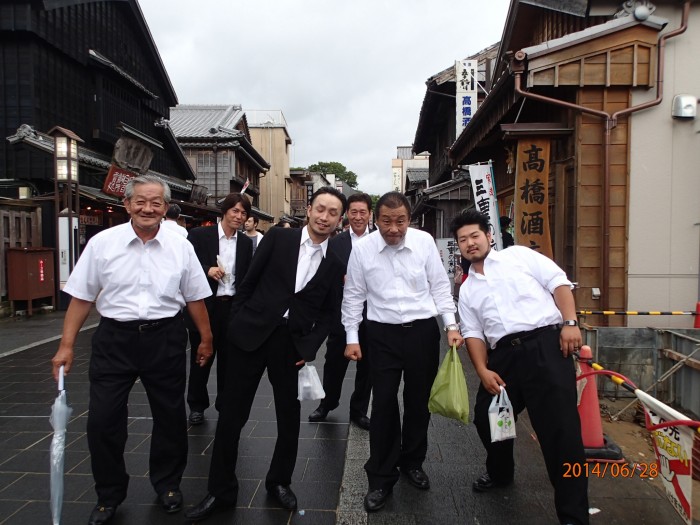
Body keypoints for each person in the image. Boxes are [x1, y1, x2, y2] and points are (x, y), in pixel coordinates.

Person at [50, 175, 213, 525]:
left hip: (164, 337)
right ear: (126, 204)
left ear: (165, 208)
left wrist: (206, 338)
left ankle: (168, 484)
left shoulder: (180, 246)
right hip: (114, 339)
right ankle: (108, 494)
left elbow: (195, 296)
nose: (148, 208)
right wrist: (66, 346)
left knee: (170, 417)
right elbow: (82, 297)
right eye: (140, 201)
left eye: (156, 203)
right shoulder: (103, 243)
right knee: (103, 420)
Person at [185, 186, 347, 521]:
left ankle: (279, 482)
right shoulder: (279, 238)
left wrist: (309, 346)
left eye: (333, 212)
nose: (324, 217)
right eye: (320, 209)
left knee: (288, 417)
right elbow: (249, 281)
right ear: (309, 210)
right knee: (232, 414)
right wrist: (236, 324)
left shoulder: (335, 261)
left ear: (339, 219)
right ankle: (220, 491)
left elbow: (330, 313)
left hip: (291, 344)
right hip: (250, 334)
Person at [452, 210, 589, 525]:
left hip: (545, 348)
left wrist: (570, 323)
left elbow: (559, 283)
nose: (470, 243)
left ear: (489, 236)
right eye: (463, 240)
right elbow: (473, 333)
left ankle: (574, 516)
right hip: (504, 359)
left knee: (561, 435)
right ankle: (501, 473)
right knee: (488, 418)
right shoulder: (468, 289)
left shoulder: (519, 257)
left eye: (475, 236)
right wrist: (482, 370)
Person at [342, 191, 463, 512]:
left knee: (418, 400)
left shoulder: (423, 242)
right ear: (375, 219)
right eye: (386, 221)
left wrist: (451, 325)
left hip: (422, 331)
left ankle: (412, 461)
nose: (393, 229)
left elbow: (440, 285)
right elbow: (353, 295)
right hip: (380, 334)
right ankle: (381, 476)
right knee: (383, 403)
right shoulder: (363, 249)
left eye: (400, 221)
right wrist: (352, 337)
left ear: (410, 219)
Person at [185, 193, 253, 425]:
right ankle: (196, 405)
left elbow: (247, 275)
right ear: (224, 211)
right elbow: (187, 263)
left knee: (229, 360)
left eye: (243, 213)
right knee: (201, 357)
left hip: (231, 307)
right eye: (235, 211)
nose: (239, 216)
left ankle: (225, 403)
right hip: (204, 306)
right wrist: (207, 269)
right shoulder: (199, 235)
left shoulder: (245, 243)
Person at [308, 192, 374, 430]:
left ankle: (359, 410)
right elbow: (325, 276)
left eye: (363, 212)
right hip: (341, 313)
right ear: (347, 214)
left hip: (372, 314)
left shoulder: (379, 241)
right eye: (353, 212)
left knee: (368, 367)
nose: (358, 217)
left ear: (370, 214)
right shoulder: (335, 242)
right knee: (334, 362)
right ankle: (327, 403)